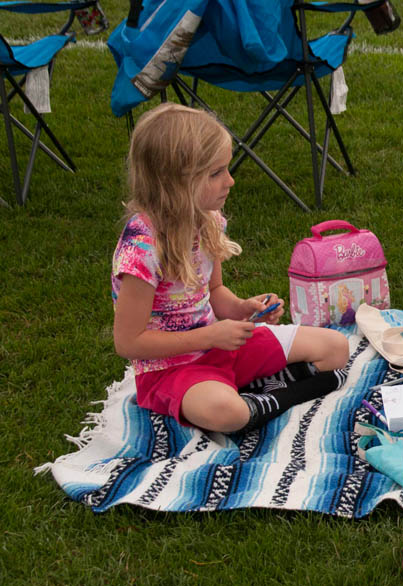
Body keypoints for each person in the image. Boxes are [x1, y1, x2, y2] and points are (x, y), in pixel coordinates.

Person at [111, 103, 349, 434]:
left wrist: (243, 309)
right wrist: (210, 335)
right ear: (176, 181)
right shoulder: (143, 248)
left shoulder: (207, 221)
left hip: (221, 349)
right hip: (170, 369)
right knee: (228, 413)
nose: (231, 181)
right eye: (216, 173)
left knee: (336, 348)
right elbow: (128, 342)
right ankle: (270, 397)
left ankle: (253, 395)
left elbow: (214, 293)